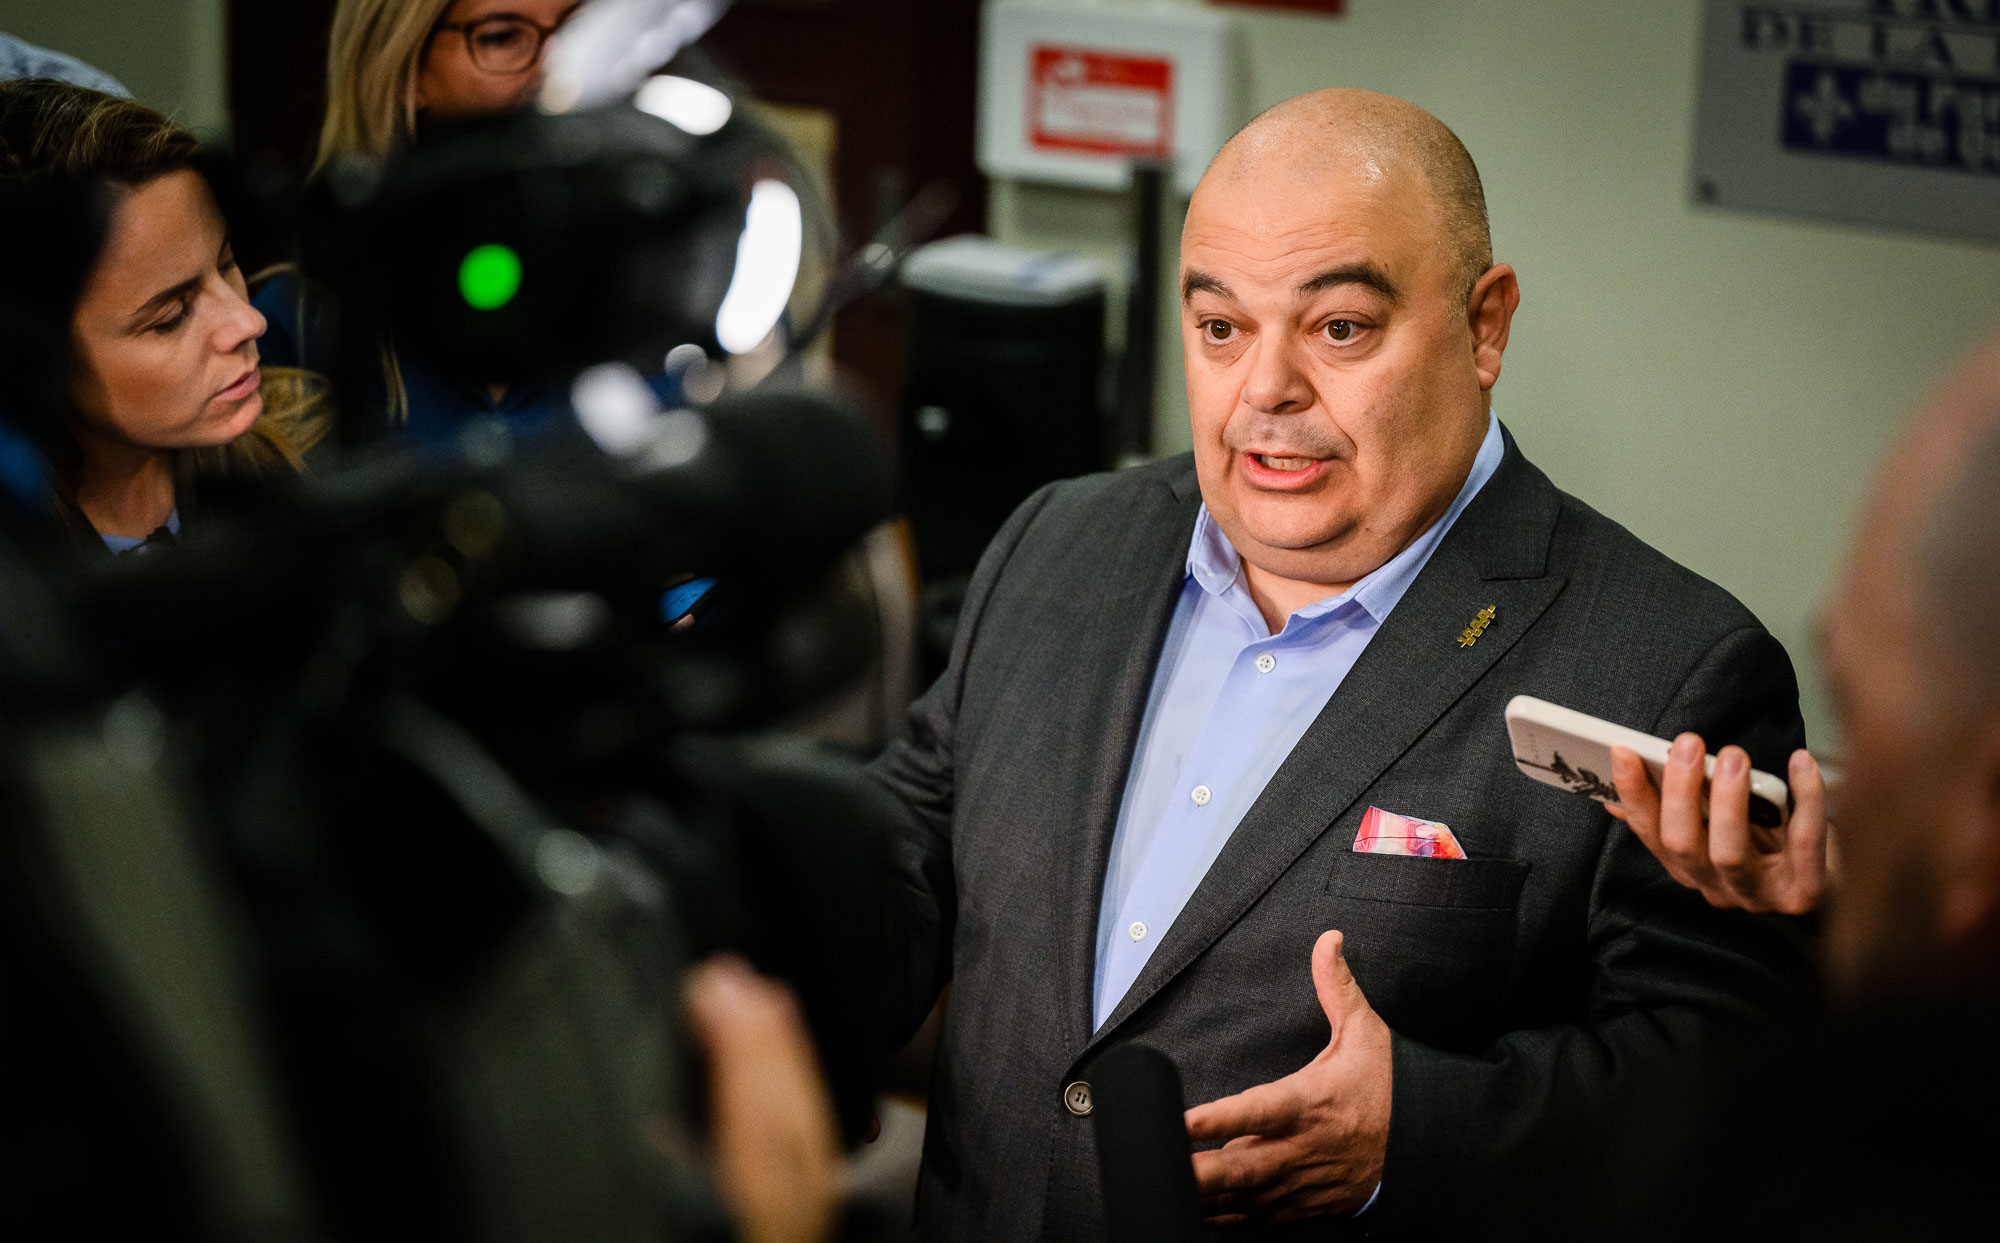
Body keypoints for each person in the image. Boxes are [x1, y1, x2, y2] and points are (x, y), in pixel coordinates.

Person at [868, 88, 1815, 1239]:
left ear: (1483, 327)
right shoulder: (1059, 544)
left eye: (1338, 329)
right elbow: (901, 860)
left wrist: (1420, 1130)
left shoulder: (1667, 667)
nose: (1265, 389)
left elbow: (1722, 1094)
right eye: (1220, 328)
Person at [0, 80, 323, 553]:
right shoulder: (23, 574)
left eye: (226, 264)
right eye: (171, 318)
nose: (249, 322)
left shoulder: (316, 450)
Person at [257, 0, 593, 444]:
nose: (556, 71)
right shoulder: (296, 328)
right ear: (403, 69)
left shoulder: (653, 287)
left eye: (579, 29)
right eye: (502, 36)